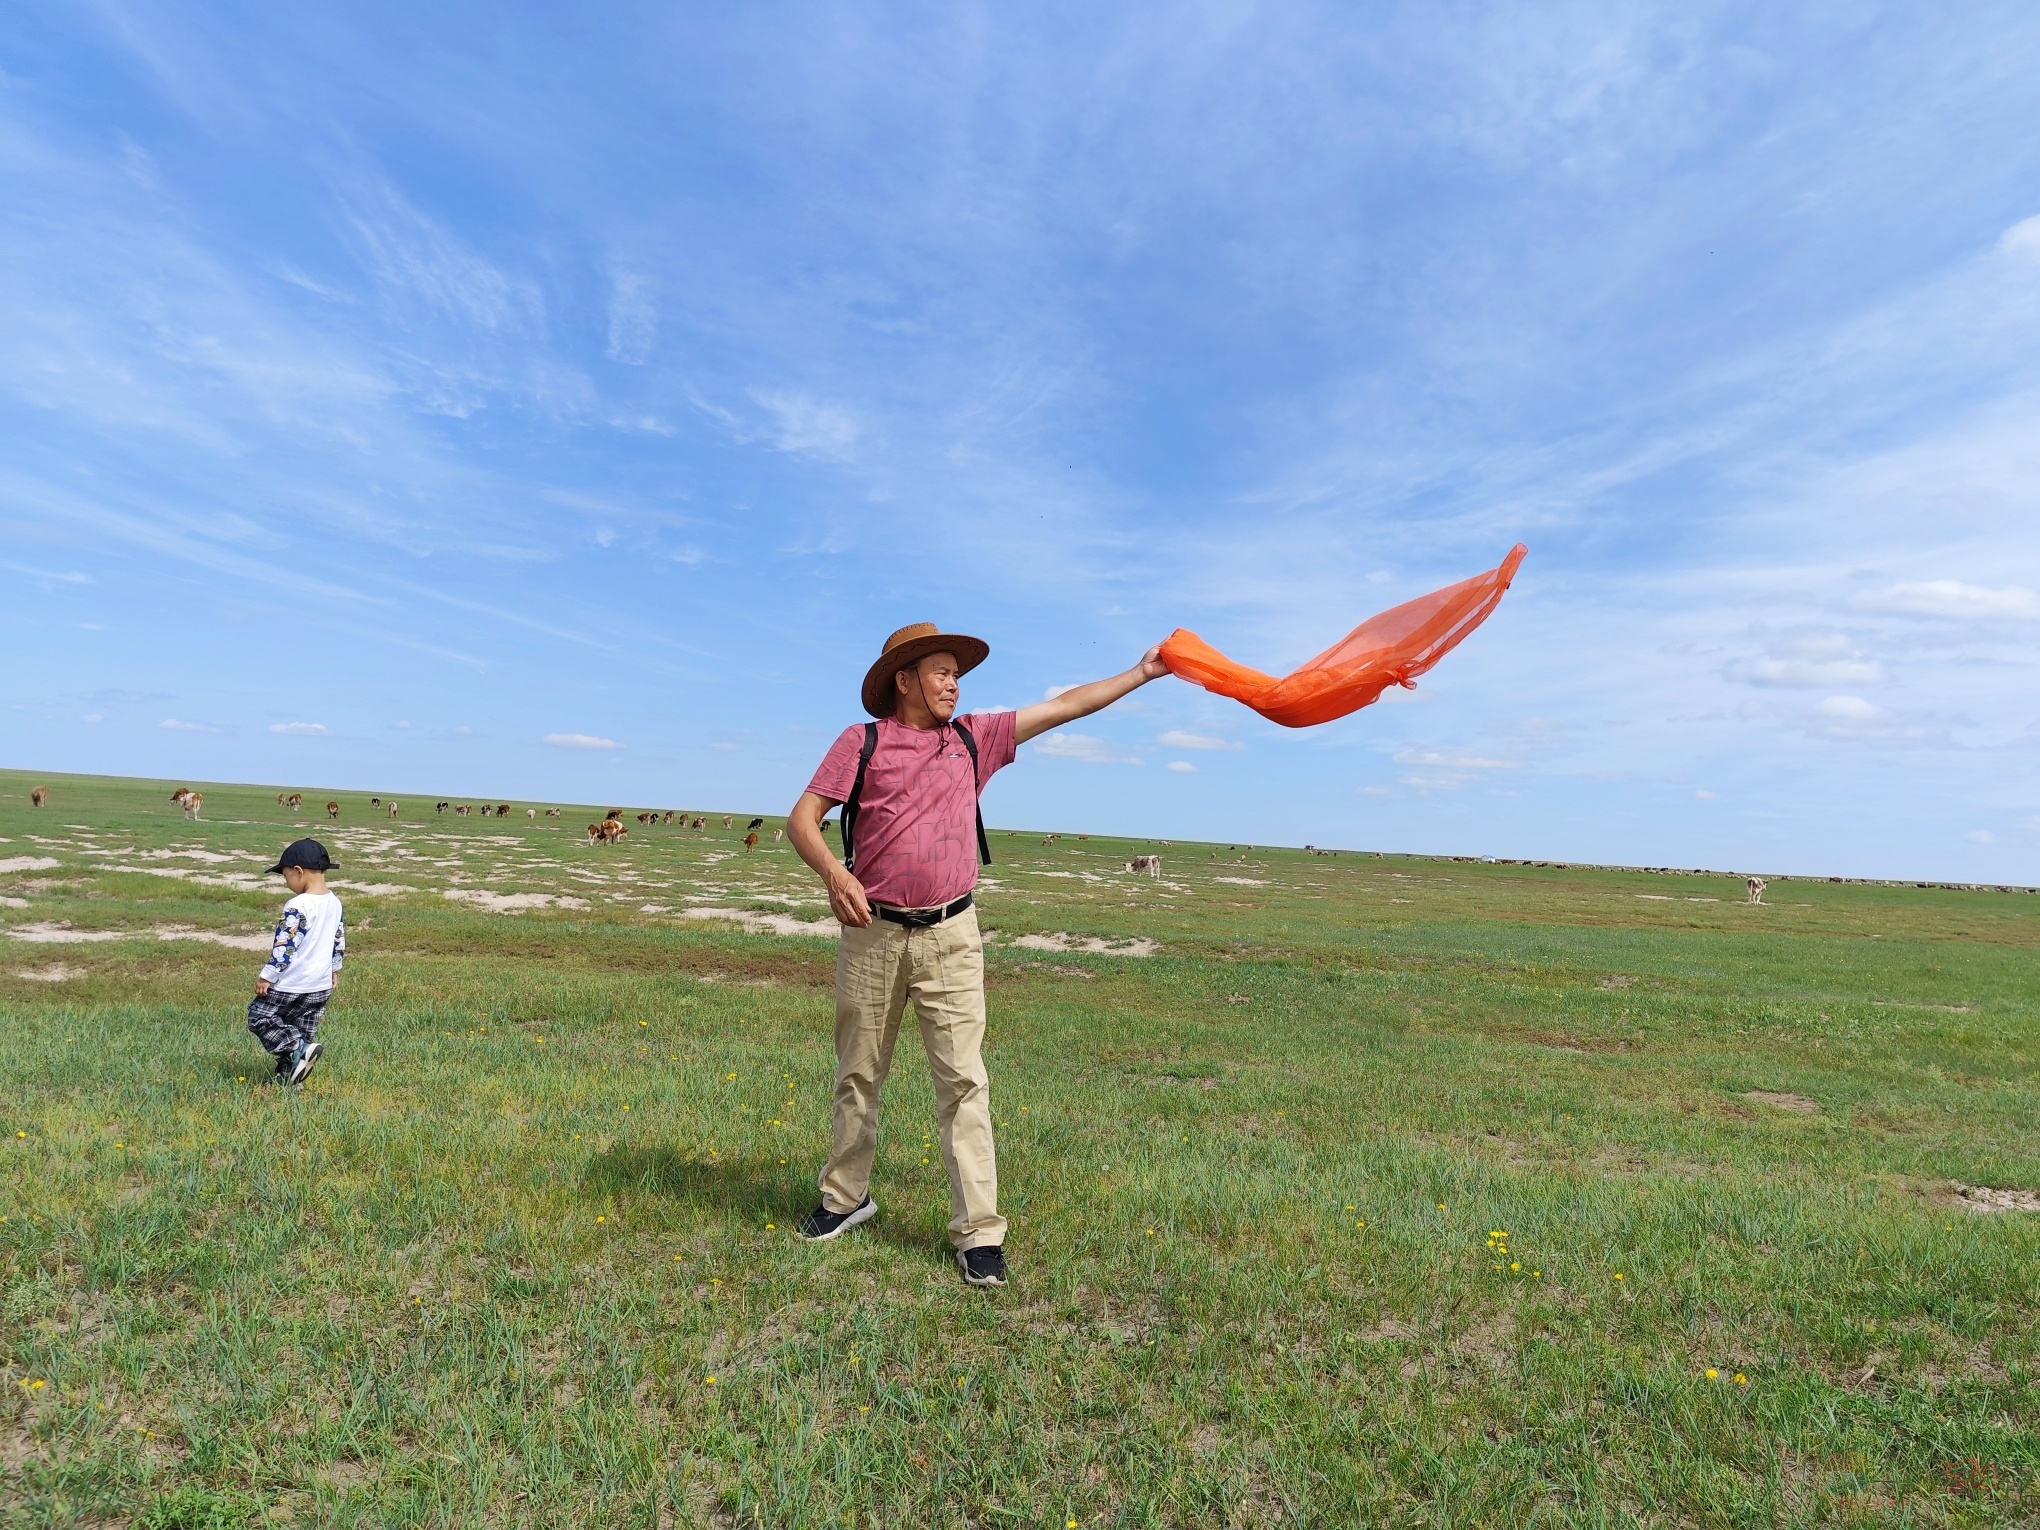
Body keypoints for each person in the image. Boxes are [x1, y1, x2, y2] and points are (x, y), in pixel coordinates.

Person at [785, 621, 1167, 1285]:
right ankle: (845, 1199)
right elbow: (802, 817)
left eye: (957, 674)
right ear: (904, 680)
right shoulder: (862, 741)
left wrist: (1139, 673)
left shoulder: (975, 738)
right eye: (940, 672)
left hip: (952, 937)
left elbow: (1065, 704)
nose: (953, 684)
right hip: (873, 935)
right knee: (858, 1074)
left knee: (964, 1083)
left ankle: (978, 1235)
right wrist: (834, 874)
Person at [247, 837, 345, 1088]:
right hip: (320, 986)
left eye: (285, 876)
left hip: (292, 984)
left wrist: (267, 976)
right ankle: (291, 1079)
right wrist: (335, 969)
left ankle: (297, 1050)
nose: (286, 881)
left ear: (298, 872)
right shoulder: (334, 902)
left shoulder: (298, 904)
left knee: (260, 1018)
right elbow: (338, 939)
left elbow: (285, 945)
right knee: (300, 1028)